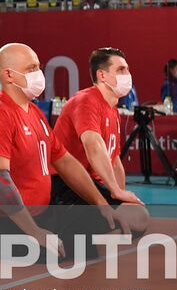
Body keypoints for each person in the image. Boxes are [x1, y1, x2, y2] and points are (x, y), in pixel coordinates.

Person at [0, 43, 136, 261]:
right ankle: (0, 245)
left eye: (38, 67)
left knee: (104, 226)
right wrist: (34, 232)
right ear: (9, 75)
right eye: (31, 68)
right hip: (0, 219)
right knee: (61, 251)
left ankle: (28, 241)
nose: (38, 74)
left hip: (41, 213)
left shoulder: (35, 113)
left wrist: (102, 204)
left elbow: (66, 161)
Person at [49, 48, 150, 231]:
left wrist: (120, 195)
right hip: (66, 183)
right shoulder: (87, 100)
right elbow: (93, 145)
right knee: (134, 217)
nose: (127, 75)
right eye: (120, 70)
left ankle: (94, 230)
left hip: (91, 184)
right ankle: (65, 227)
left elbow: (115, 160)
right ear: (102, 75)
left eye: (127, 69)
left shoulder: (112, 110)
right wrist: (115, 191)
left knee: (137, 215)